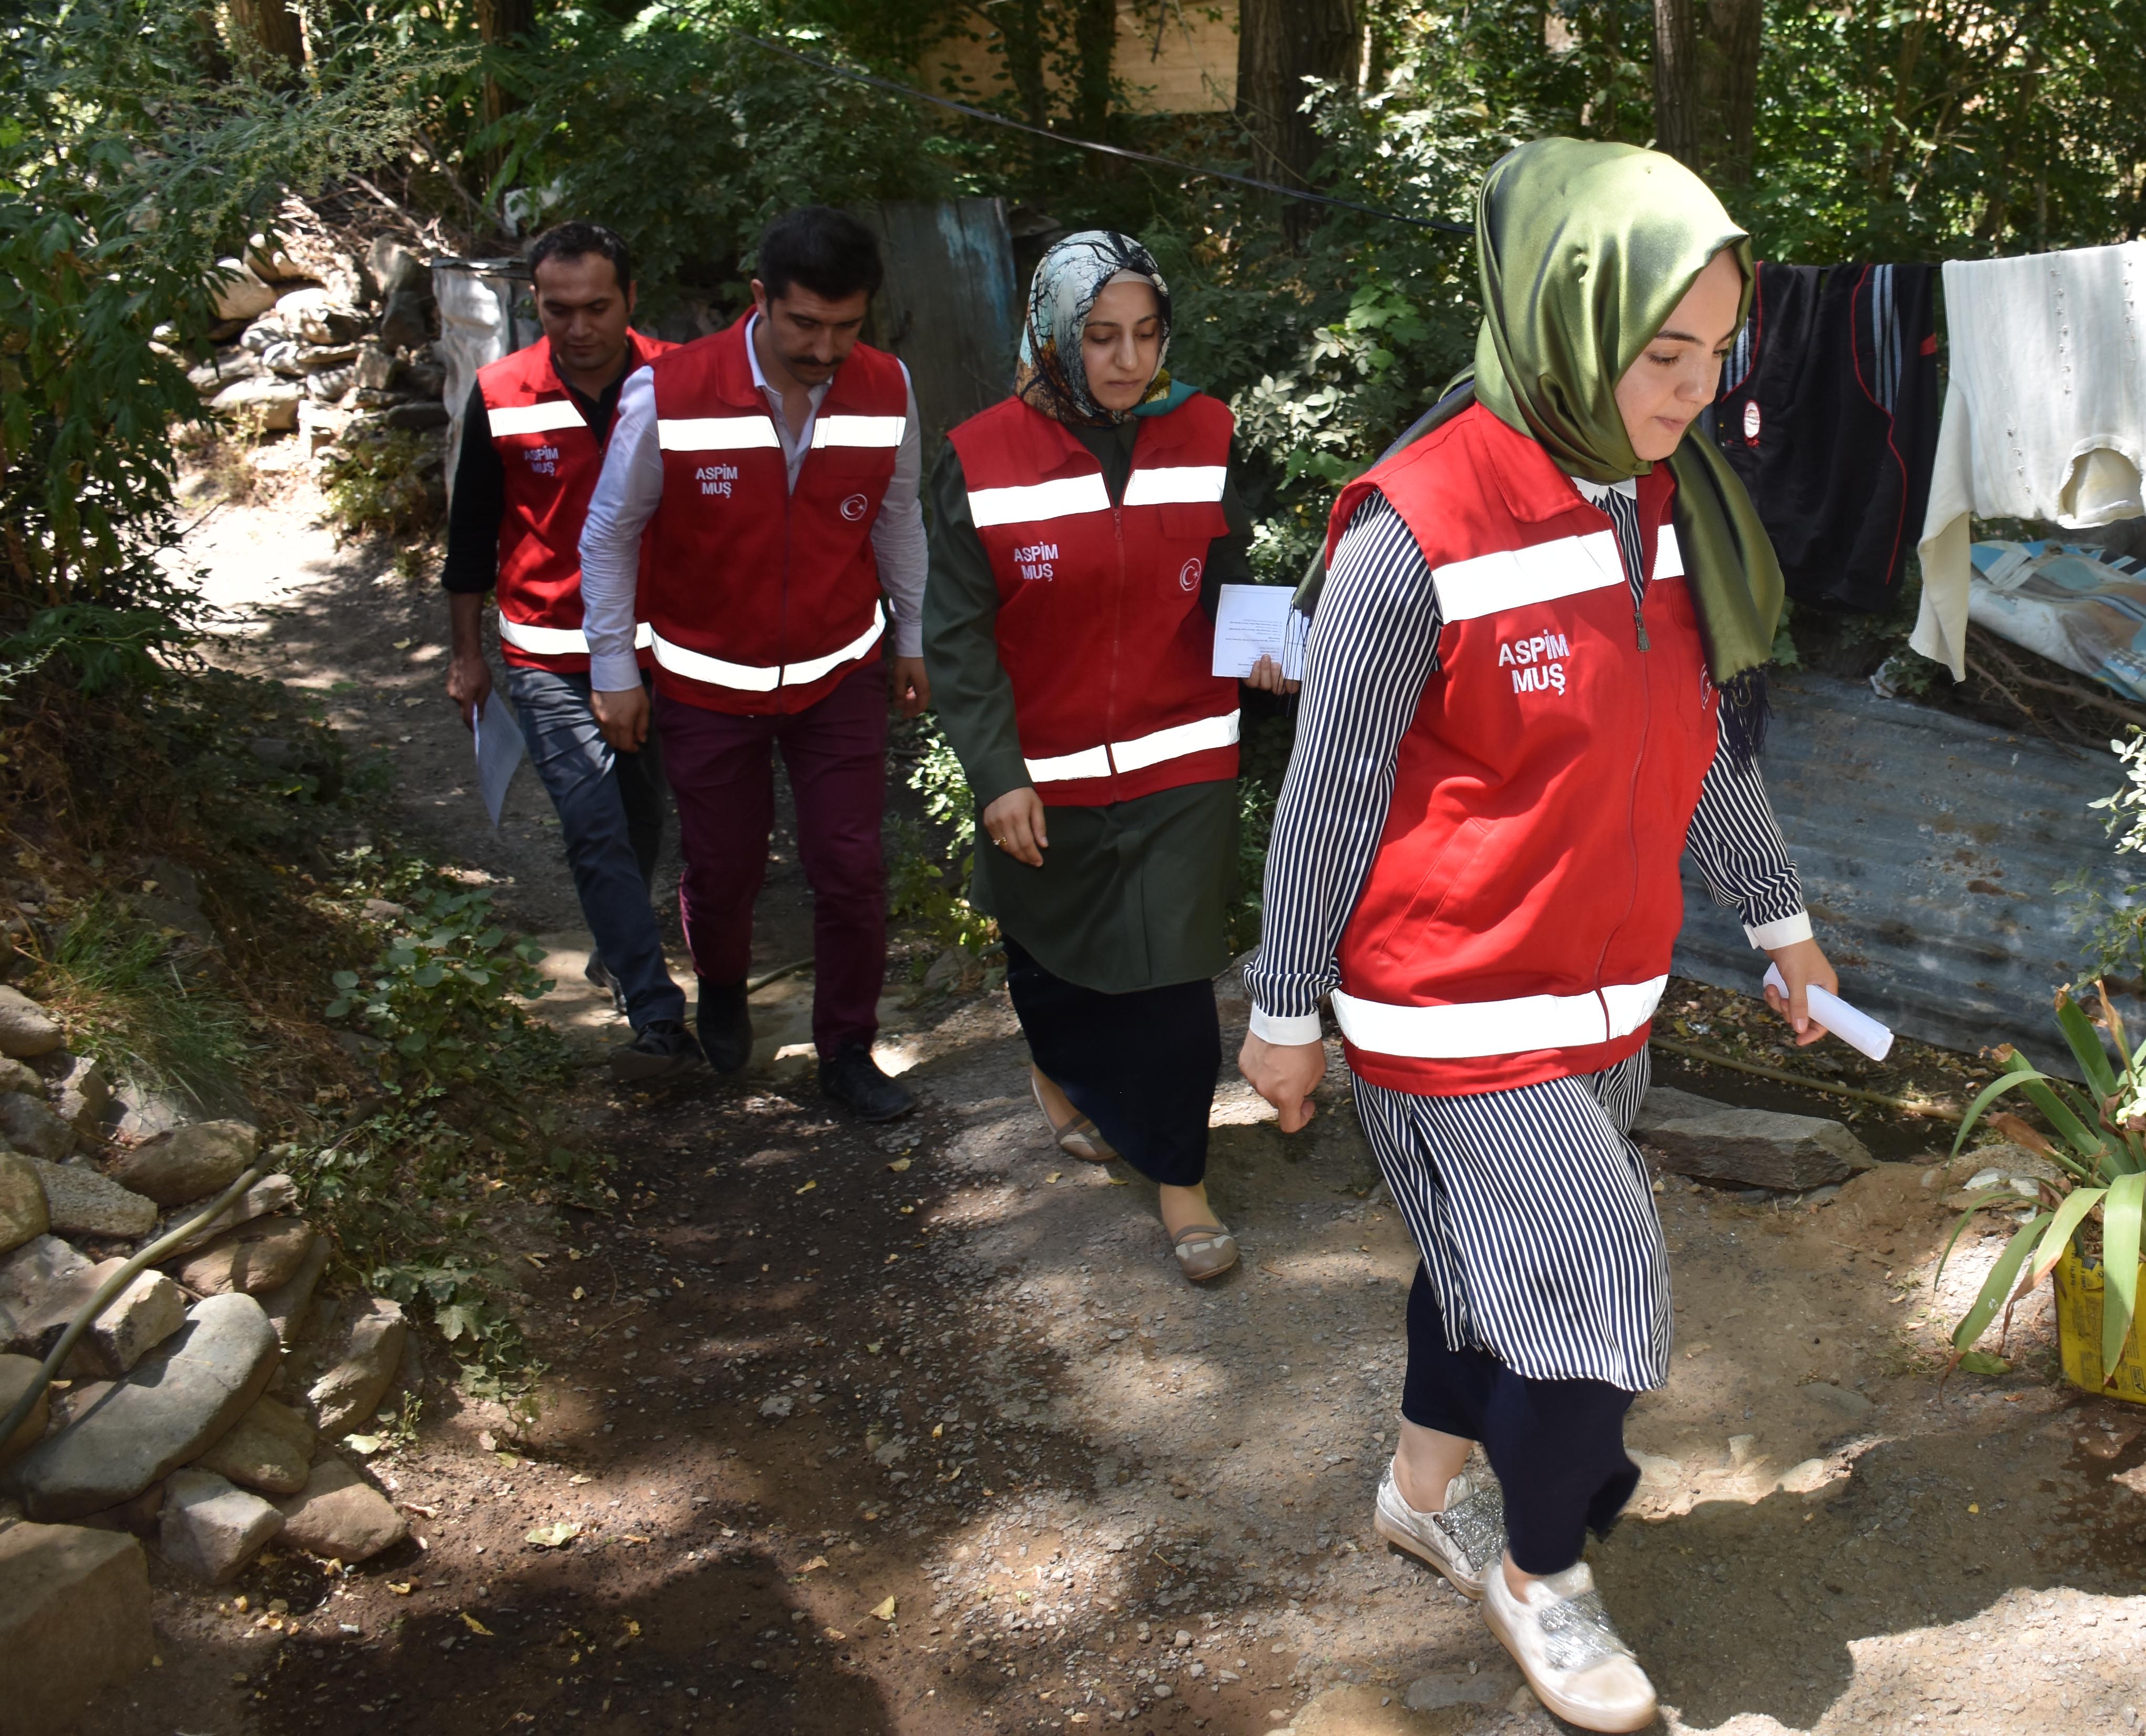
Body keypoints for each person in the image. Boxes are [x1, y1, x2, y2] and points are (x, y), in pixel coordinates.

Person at [1240, 140, 1838, 1733]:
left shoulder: (1664, 503)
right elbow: (1331, 785)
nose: (1696, 393)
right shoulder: (1411, 529)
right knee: (1594, 1276)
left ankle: (1426, 1488)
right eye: (1665, 356)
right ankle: (1540, 1569)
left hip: (1608, 1000)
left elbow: (1699, 747)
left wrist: (1783, 930)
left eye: (1717, 356)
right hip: (1449, 1008)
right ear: (1571, 325)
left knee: (1492, 1273)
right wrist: (1285, 1004)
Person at [923, 232, 1296, 1282]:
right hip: (1045, 774)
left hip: (1184, 756)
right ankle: (1058, 1069)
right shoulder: (980, 453)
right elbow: (955, 632)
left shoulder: (1205, 429)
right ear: (1053, 336)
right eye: (1099, 337)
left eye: (1145, 334)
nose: (1128, 360)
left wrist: (1272, 650)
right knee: (1055, 963)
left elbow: (1227, 575)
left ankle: (1182, 1183)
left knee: (1174, 985)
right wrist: (997, 774)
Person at [578, 206, 933, 1123]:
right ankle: (725, 991)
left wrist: (912, 639)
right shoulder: (671, 390)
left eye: (847, 328)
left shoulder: (888, 389)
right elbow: (612, 531)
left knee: (850, 865)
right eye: (805, 324)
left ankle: (847, 1050)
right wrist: (613, 668)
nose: (825, 349)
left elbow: (898, 520)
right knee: (723, 867)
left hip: (839, 672)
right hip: (703, 679)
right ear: (759, 301)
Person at [440, 221, 690, 1070]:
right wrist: (467, 655)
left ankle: (617, 946)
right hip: (546, 646)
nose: (578, 328)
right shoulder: (502, 391)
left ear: (630, 300)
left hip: (662, 649)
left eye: (597, 308)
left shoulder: (683, 380)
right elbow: (471, 530)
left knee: (639, 814)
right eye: (557, 310)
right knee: (593, 823)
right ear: (533, 303)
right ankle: (655, 1009)